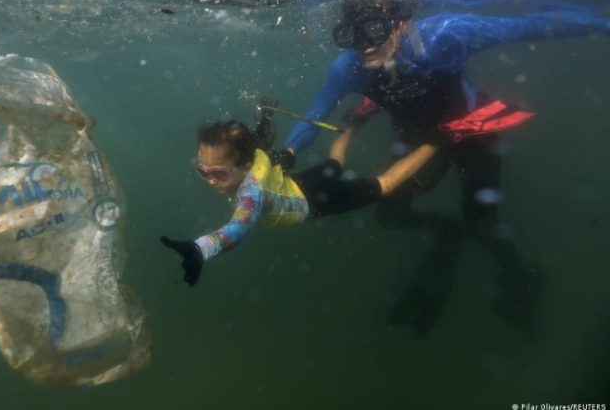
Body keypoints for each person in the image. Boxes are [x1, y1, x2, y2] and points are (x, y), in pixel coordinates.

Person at [270, 0, 610, 338]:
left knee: (481, 223)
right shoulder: (349, 67)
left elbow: (532, 26)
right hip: (420, 143)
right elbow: (316, 114)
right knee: (390, 213)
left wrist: (601, 20)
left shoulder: (447, 36)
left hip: (473, 134)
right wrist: (289, 150)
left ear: (402, 23)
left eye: (373, 31)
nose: (365, 46)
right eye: (351, 35)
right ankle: (448, 230)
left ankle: (522, 275)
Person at [160, 112, 439, 287]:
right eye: (202, 171)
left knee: (385, 185)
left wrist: (201, 248)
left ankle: (439, 141)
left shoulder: (251, 192)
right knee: (334, 163)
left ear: (244, 166)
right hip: (299, 183)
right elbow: (257, 143)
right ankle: (357, 119)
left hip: (317, 201)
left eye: (218, 174)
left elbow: (239, 226)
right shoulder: (250, 154)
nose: (209, 180)